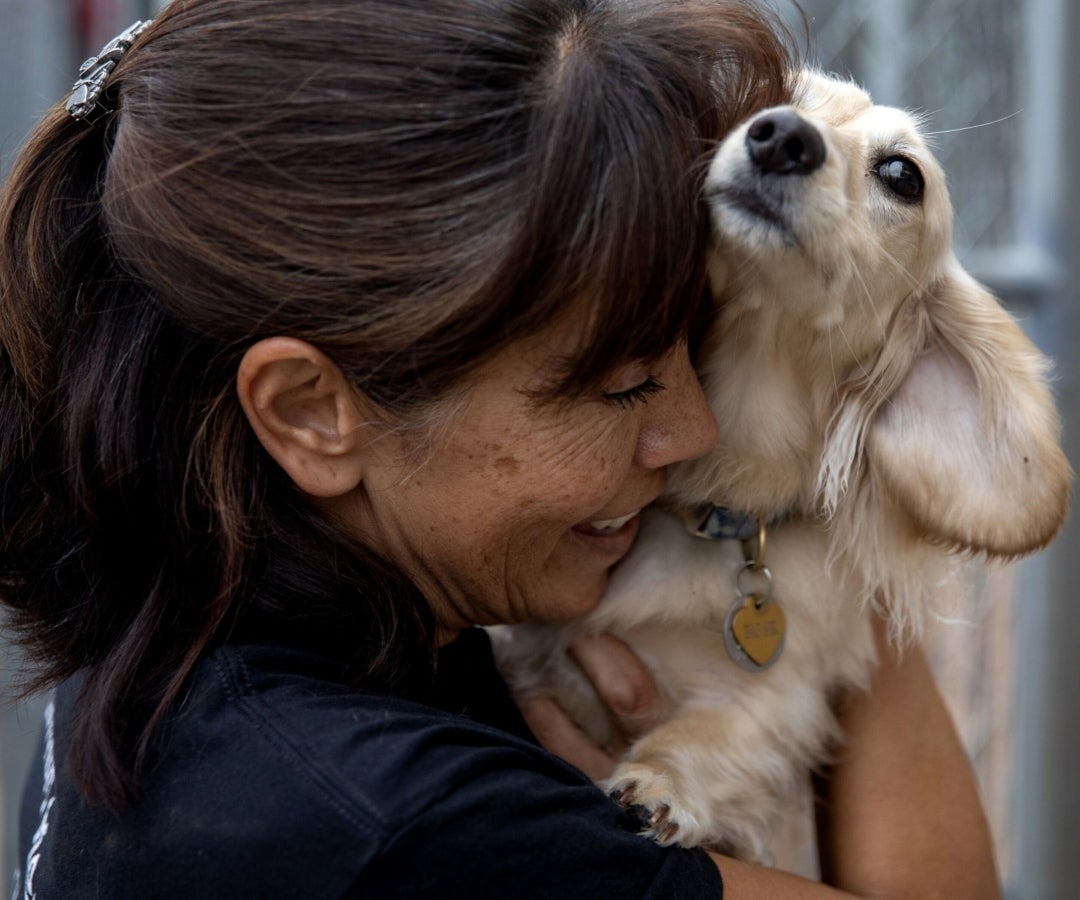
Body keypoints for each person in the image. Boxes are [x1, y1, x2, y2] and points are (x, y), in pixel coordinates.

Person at [0, 0, 1001, 897]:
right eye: (619, 382)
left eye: (698, 342)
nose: (690, 432)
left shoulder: (171, 645)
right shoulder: (404, 826)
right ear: (311, 411)